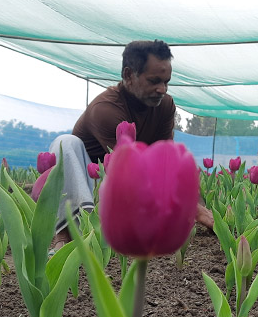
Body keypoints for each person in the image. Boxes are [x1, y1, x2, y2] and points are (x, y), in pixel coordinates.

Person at [38, 40, 215, 253]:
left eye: (166, 82)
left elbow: (164, 161)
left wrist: (210, 215)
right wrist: (194, 210)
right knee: (65, 143)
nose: (162, 89)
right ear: (129, 75)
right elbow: (130, 168)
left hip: (124, 191)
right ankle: (65, 237)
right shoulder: (105, 108)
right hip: (90, 185)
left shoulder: (165, 105)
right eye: (154, 81)